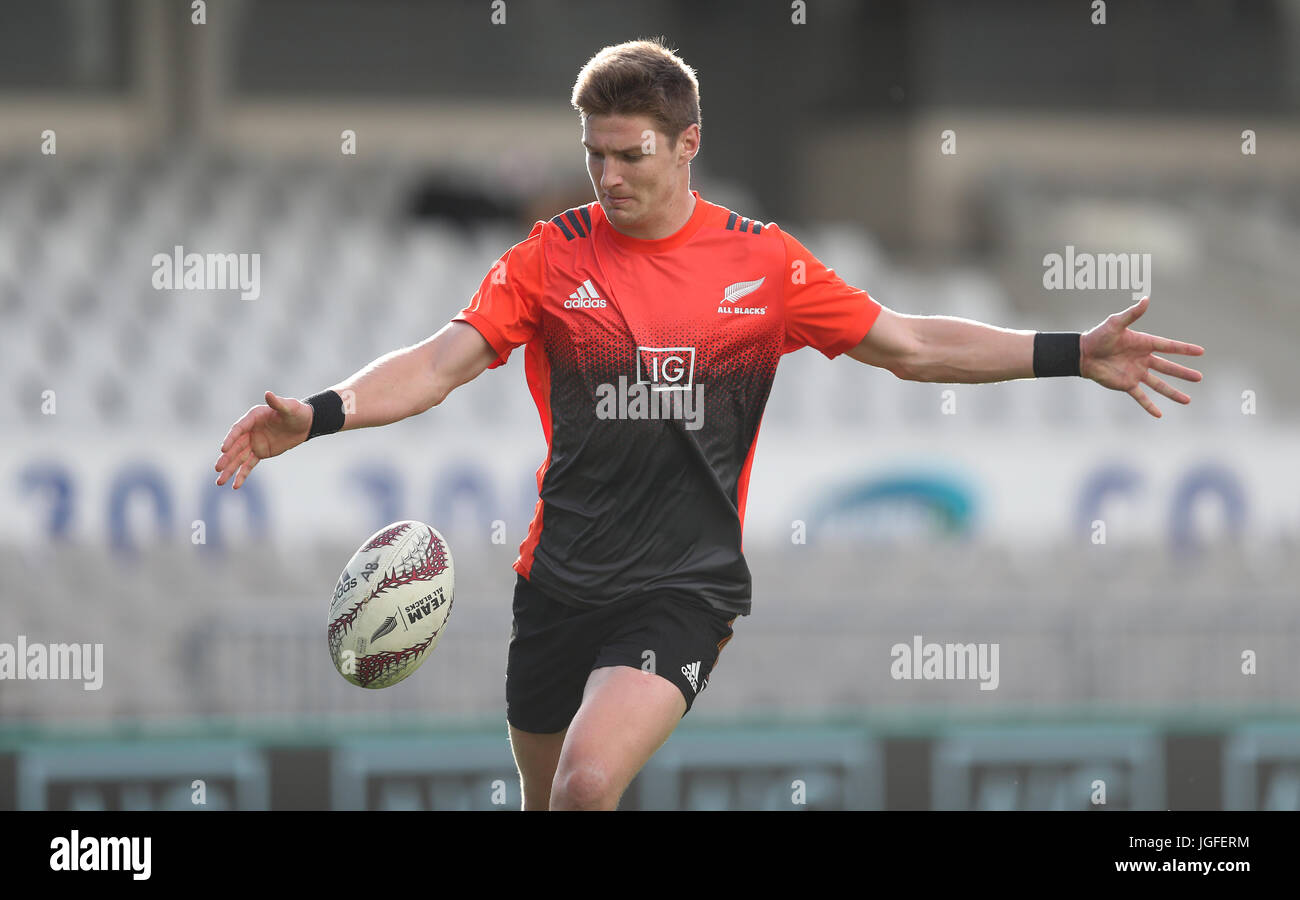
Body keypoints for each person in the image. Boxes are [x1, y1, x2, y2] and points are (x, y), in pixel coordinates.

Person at [213, 38, 1204, 810]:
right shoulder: (548, 259)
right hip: (556, 585)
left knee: (588, 786)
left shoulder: (762, 263)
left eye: (630, 154)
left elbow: (908, 343)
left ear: (687, 144)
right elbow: (436, 365)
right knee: (550, 804)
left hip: (683, 586)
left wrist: (1070, 350)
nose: (607, 176)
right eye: (594, 154)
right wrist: (322, 413)